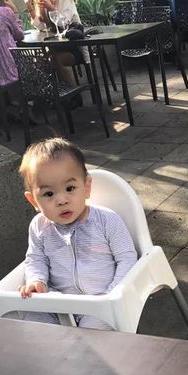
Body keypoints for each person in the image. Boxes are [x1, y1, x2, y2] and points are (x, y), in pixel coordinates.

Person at [16, 138, 138, 330]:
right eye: (49, 194)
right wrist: (36, 280)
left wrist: (112, 293)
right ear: (33, 201)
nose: (61, 200)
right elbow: (35, 258)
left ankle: (76, 346)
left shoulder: (106, 220)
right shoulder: (39, 226)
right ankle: (52, 346)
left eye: (70, 189)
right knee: (28, 315)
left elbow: (127, 258)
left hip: (100, 302)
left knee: (91, 334)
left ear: (86, 188)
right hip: (58, 304)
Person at [24, 0, 85, 82]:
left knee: (52, 59)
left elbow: (65, 24)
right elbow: (43, 27)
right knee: (40, 60)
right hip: (56, 46)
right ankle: (55, 91)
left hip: (73, 44)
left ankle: (69, 91)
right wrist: (30, 8)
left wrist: (51, 9)